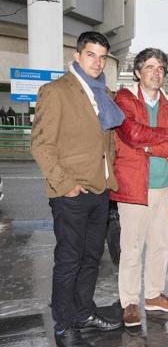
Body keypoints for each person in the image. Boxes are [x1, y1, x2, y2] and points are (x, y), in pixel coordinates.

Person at [31, 31, 124, 347]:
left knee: (91, 257)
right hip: (71, 191)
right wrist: (66, 185)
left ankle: (83, 312)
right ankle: (64, 323)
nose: (97, 62)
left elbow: (105, 141)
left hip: (100, 190)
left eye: (102, 56)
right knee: (69, 259)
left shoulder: (102, 92)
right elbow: (42, 145)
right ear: (77, 56)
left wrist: (109, 180)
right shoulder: (56, 91)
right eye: (90, 54)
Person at [111, 48, 168, 327]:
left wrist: (148, 145)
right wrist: (164, 137)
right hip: (134, 186)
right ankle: (129, 301)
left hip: (165, 186)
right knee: (131, 247)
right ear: (137, 72)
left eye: (161, 69)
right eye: (150, 67)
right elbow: (130, 132)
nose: (157, 73)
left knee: (160, 245)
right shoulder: (124, 98)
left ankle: (154, 294)